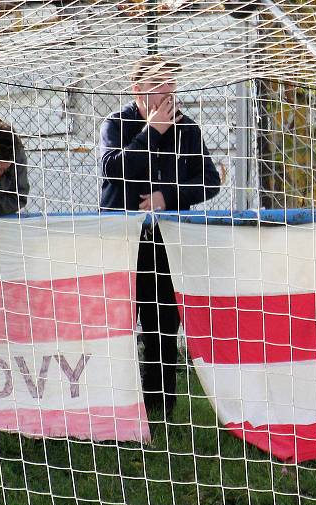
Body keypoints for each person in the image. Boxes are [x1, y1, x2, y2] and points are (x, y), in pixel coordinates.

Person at [99, 56, 221, 417]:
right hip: (121, 240)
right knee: (118, 320)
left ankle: (160, 407)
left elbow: (210, 181)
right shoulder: (117, 124)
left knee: (164, 322)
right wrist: (152, 132)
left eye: (171, 83)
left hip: (167, 241)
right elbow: (113, 170)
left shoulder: (188, 130)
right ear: (138, 89)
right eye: (159, 84)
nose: (168, 91)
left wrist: (167, 197)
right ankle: (114, 403)